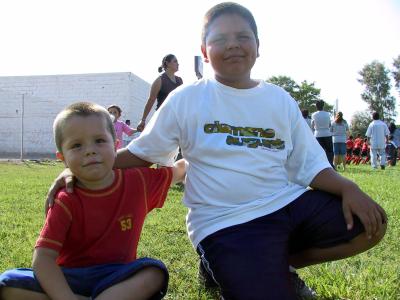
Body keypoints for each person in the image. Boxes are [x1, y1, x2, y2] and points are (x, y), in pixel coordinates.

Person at [46, 3, 387, 300]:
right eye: (220, 39)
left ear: (258, 46)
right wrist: (76, 170)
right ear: (205, 52)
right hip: (226, 222)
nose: (233, 45)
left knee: (369, 223)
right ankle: (231, 265)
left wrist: (349, 187)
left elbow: (310, 164)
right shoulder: (188, 99)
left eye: (243, 37)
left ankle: (276, 263)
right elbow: (143, 153)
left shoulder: (279, 99)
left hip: (286, 204)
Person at [0, 102, 187, 300]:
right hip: (70, 279)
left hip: (118, 278)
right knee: (7, 283)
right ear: (62, 158)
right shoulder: (66, 199)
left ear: (116, 147)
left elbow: (181, 169)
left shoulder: (139, 181)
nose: (90, 150)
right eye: (77, 145)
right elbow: (43, 259)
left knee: (153, 272)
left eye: (99, 140)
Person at [137, 54, 183, 132]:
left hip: (177, 119)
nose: (178, 64)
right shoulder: (159, 80)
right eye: (175, 61)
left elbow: (183, 101)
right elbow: (151, 100)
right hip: (163, 119)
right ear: (167, 63)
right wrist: (143, 120)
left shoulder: (180, 80)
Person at [311, 100, 334, 167]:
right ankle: (330, 164)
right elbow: (329, 125)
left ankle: (319, 165)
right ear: (323, 106)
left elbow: (312, 125)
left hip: (317, 134)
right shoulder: (327, 114)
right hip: (327, 134)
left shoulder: (314, 115)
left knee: (318, 152)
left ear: (316, 106)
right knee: (329, 151)